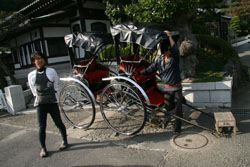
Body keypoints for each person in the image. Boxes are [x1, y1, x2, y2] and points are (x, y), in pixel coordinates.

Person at [138, 30, 183, 135]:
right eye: (168, 50)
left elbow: (175, 49)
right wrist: (139, 73)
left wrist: (169, 36)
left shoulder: (174, 58)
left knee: (178, 109)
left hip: (177, 88)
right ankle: (172, 114)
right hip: (167, 89)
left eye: (170, 49)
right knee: (168, 107)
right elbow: (150, 69)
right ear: (165, 51)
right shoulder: (159, 61)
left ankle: (177, 127)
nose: (170, 51)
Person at [28, 52, 68, 158]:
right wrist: (40, 97)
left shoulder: (51, 71)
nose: (39, 60)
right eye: (37, 59)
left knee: (59, 123)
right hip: (40, 104)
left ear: (44, 59)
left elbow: (56, 86)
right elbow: (33, 91)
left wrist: (57, 99)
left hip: (52, 102)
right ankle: (43, 148)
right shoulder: (31, 75)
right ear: (34, 61)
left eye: (41, 58)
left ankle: (65, 141)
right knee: (41, 127)